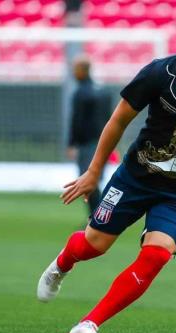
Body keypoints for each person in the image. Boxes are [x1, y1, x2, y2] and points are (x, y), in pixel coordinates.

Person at [37, 5, 176, 333]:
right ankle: (62, 264)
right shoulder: (161, 72)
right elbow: (118, 119)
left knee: (157, 255)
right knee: (95, 245)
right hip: (135, 178)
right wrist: (94, 172)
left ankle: (88, 325)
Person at [67, 56, 113, 216]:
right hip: (105, 142)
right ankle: (96, 216)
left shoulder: (80, 93)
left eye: (75, 69)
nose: (73, 72)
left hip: (87, 144)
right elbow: (111, 119)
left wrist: (72, 143)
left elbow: (77, 120)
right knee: (94, 181)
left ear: (81, 70)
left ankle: (98, 216)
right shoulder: (103, 91)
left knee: (88, 180)